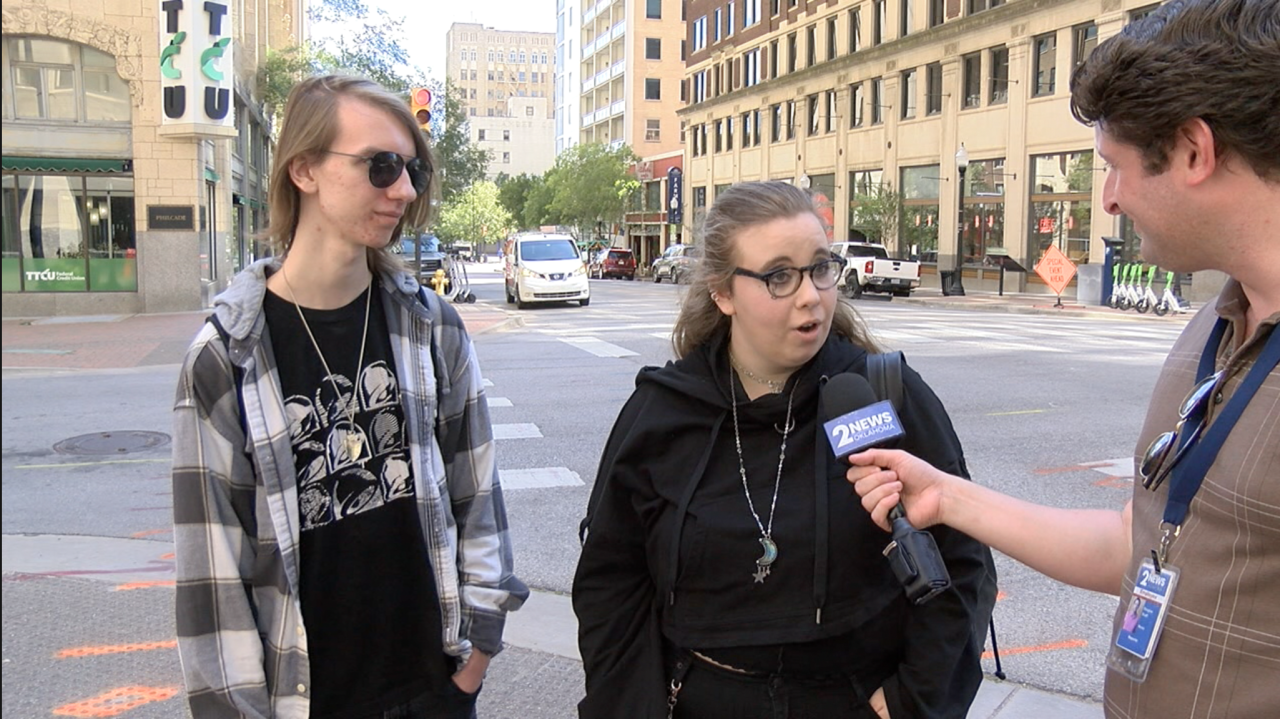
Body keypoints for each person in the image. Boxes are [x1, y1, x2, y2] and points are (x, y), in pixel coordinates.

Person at [849, 2, 1280, 718]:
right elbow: (1133, 544)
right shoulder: (1213, 328)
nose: (1107, 200)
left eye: (1114, 168)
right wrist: (948, 497)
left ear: (1195, 151)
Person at [171, 74, 528, 718]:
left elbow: (478, 502)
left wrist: (471, 670)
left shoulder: (431, 327)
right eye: (381, 166)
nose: (405, 189)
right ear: (304, 169)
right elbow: (212, 577)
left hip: (434, 691)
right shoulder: (226, 355)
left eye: (412, 168)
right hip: (305, 700)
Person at [573, 181, 997, 719]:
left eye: (821, 268)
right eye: (779, 276)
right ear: (722, 293)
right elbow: (610, 583)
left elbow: (963, 564)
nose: (810, 296)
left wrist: (908, 701)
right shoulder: (663, 413)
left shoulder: (883, 396)